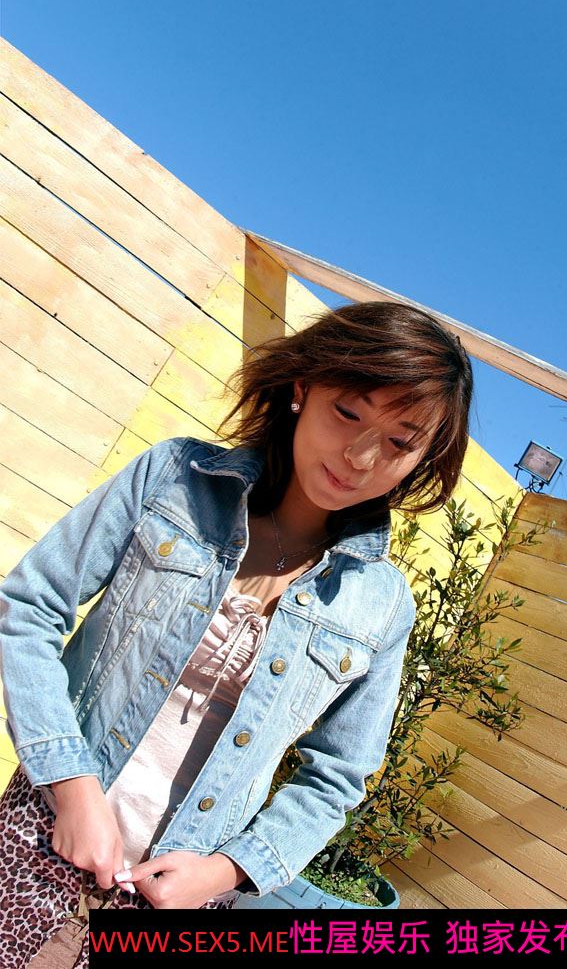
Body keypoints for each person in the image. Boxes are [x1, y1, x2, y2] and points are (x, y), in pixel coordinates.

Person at [0, 300, 473, 966]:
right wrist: (72, 787)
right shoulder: (175, 479)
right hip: (46, 831)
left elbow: (337, 776)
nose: (361, 456)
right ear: (303, 388)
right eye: (348, 412)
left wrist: (224, 872)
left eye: (399, 443)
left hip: (178, 903)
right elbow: (29, 606)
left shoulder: (381, 606)